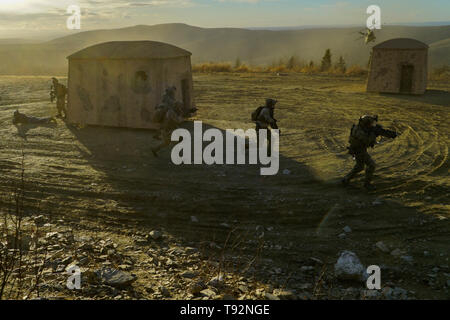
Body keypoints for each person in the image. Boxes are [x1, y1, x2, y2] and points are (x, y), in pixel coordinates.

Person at [342, 115, 397, 190]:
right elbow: (367, 140)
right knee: (371, 165)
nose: (372, 125)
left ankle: (346, 179)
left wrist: (385, 133)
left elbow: (377, 132)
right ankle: (367, 185)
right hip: (358, 150)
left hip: (359, 149)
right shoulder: (360, 131)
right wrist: (374, 134)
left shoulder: (361, 128)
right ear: (365, 124)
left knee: (359, 167)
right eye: (370, 124)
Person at [151, 87, 185, 157]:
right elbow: (177, 121)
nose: (180, 108)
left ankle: (154, 149)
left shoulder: (171, 111)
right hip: (168, 131)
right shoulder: (171, 113)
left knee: (166, 143)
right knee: (177, 141)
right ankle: (178, 156)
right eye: (179, 107)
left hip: (167, 130)